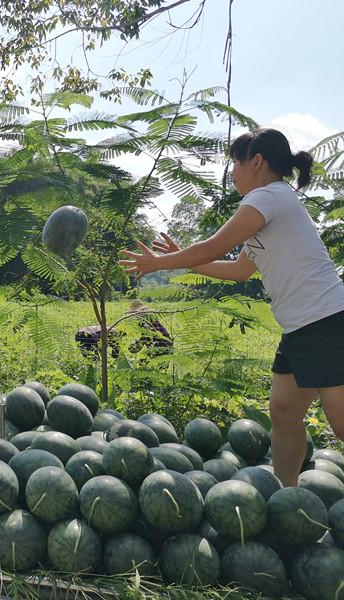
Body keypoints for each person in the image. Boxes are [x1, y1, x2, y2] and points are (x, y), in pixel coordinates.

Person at [120, 128, 344, 487]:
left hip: (325, 320)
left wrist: (161, 264)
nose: (232, 173)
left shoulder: (268, 198)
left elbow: (212, 245)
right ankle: (286, 494)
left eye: (235, 164)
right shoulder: (269, 208)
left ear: (256, 162)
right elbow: (239, 270)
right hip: (301, 327)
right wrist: (186, 262)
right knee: (284, 413)